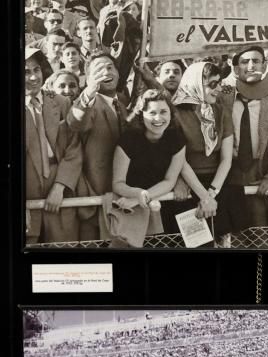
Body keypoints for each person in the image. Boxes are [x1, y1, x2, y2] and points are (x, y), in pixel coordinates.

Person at [220, 46, 268, 232]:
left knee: (261, 230)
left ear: (264, 65)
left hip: (261, 173)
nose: (251, 66)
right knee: (231, 234)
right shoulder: (221, 95)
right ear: (236, 68)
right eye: (245, 62)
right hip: (226, 174)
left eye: (256, 61)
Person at [110, 89, 186, 246]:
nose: (158, 118)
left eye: (164, 112)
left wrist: (140, 198)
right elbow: (118, 183)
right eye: (152, 112)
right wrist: (138, 194)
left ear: (171, 114)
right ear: (141, 114)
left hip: (165, 207)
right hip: (132, 212)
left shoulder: (177, 139)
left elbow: (169, 180)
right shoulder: (128, 140)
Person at [169, 61, 235, 241]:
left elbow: (226, 159)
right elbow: (180, 162)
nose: (218, 89)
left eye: (219, 83)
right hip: (188, 187)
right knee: (196, 244)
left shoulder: (221, 111)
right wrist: (204, 197)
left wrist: (211, 195)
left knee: (222, 242)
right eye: (212, 84)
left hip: (217, 185)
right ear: (196, 83)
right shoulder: (174, 114)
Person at [68, 51, 127, 242]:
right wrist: (89, 93)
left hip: (124, 197)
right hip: (95, 199)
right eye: (99, 69)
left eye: (110, 67)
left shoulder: (123, 103)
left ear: (118, 72)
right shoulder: (90, 103)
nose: (106, 72)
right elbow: (75, 122)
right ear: (89, 78)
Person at [24, 47, 81, 245]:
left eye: (36, 70)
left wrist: (60, 187)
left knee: (63, 253)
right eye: (25, 72)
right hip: (27, 193)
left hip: (60, 191)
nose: (33, 77)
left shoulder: (60, 102)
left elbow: (74, 147)